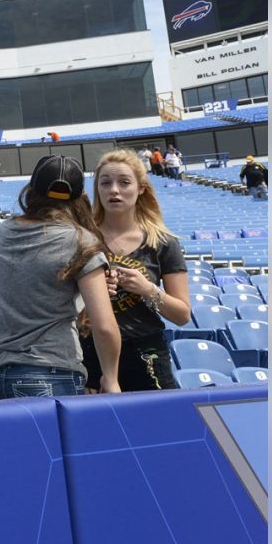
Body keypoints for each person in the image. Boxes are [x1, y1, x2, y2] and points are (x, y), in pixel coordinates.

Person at [0, 155, 121, 398]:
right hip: (53, 369)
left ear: (31, 190)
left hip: (1, 371)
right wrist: (110, 378)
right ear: (80, 197)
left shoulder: (4, 231)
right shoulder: (80, 241)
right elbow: (105, 327)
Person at [81, 150, 191, 392]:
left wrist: (148, 289)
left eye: (124, 183)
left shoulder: (162, 242)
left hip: (147, 353)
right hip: (92, 353)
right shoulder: (82, 239)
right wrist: (91, 295)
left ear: (141, 188)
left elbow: (182, 315)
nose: (114, 190)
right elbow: (64, 306)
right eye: (105, 183)